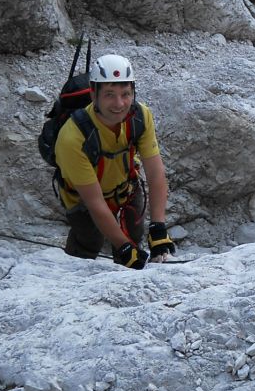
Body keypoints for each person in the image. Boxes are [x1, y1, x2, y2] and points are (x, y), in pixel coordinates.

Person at [54, 53, 174, 268]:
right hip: (83, 200)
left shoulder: (140, 116)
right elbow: (94, 202)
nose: (119, 104)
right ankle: (77, 272)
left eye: (126, 94)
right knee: (90, 240)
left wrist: (158, 227)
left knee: (134, 233)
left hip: (126, 188)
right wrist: (122, 245)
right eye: (109, 94)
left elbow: (156, 173)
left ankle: (125, 264)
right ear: (94, 94)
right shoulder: (73, 137)